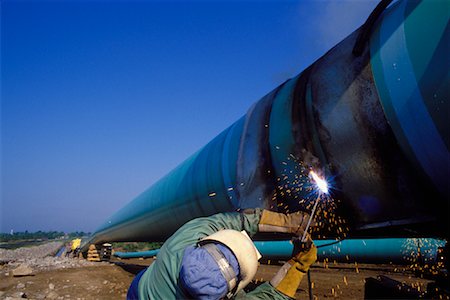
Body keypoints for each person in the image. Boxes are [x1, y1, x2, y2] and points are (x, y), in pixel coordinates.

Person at [127, 208, 317, 300]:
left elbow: (233, 220)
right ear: (228, 294)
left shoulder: (183, 240)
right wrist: (299, 265)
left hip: (140, 289)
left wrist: (286, 222)